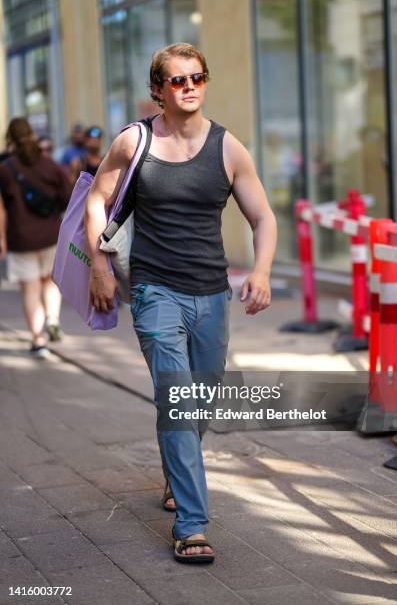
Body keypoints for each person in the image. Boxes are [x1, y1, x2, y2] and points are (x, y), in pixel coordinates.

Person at [84, 43, 277, 563]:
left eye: (197, 77)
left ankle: (176, 470)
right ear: (158, 90)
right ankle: (192, 525)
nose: (189, 86)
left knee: (201, 397)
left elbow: (263, 217)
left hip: (212, 293)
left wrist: (260, 270)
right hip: (154, 290)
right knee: (177, 395)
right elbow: (97, 197)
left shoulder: (228, 148)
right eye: (177, 80)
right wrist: (100, 267)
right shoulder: (134, 142)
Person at [0, 118, 72, 357]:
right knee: (50, 283)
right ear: (31, 135)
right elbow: (68, 199)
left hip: (20, 239)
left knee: (30, 290)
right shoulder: (49, 164)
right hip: (51, 235)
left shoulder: (5, 168)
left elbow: (1, 210)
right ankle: (52, 318)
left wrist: (2, 239)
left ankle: (38, 340)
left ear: (9, 139)